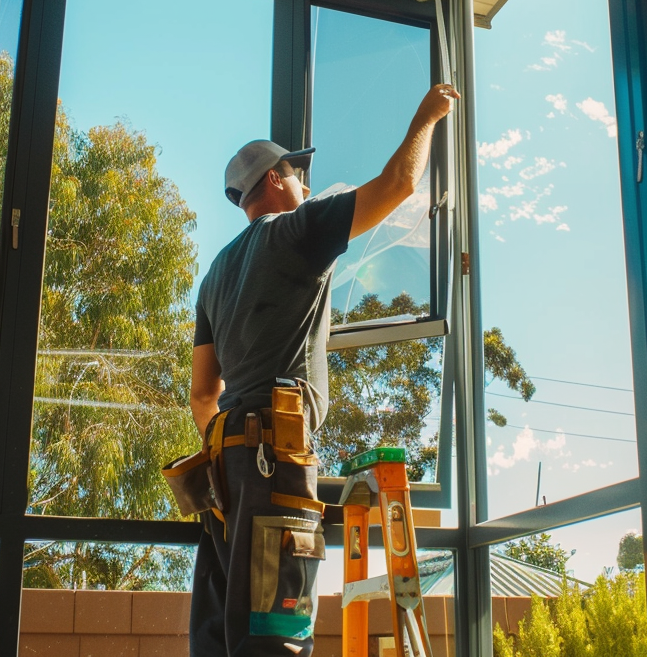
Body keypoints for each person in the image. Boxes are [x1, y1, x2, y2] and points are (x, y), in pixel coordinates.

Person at [187, 83, 459, 657]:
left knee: (223, 635)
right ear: (274, 181)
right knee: (275, 633)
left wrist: (231, 460)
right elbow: (398, 186)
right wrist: (428, 115)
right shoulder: (297, 230)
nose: (307, 186)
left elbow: (201, 395)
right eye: (298, 174)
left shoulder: (214, 275)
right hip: (273, 458)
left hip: (226, 467)